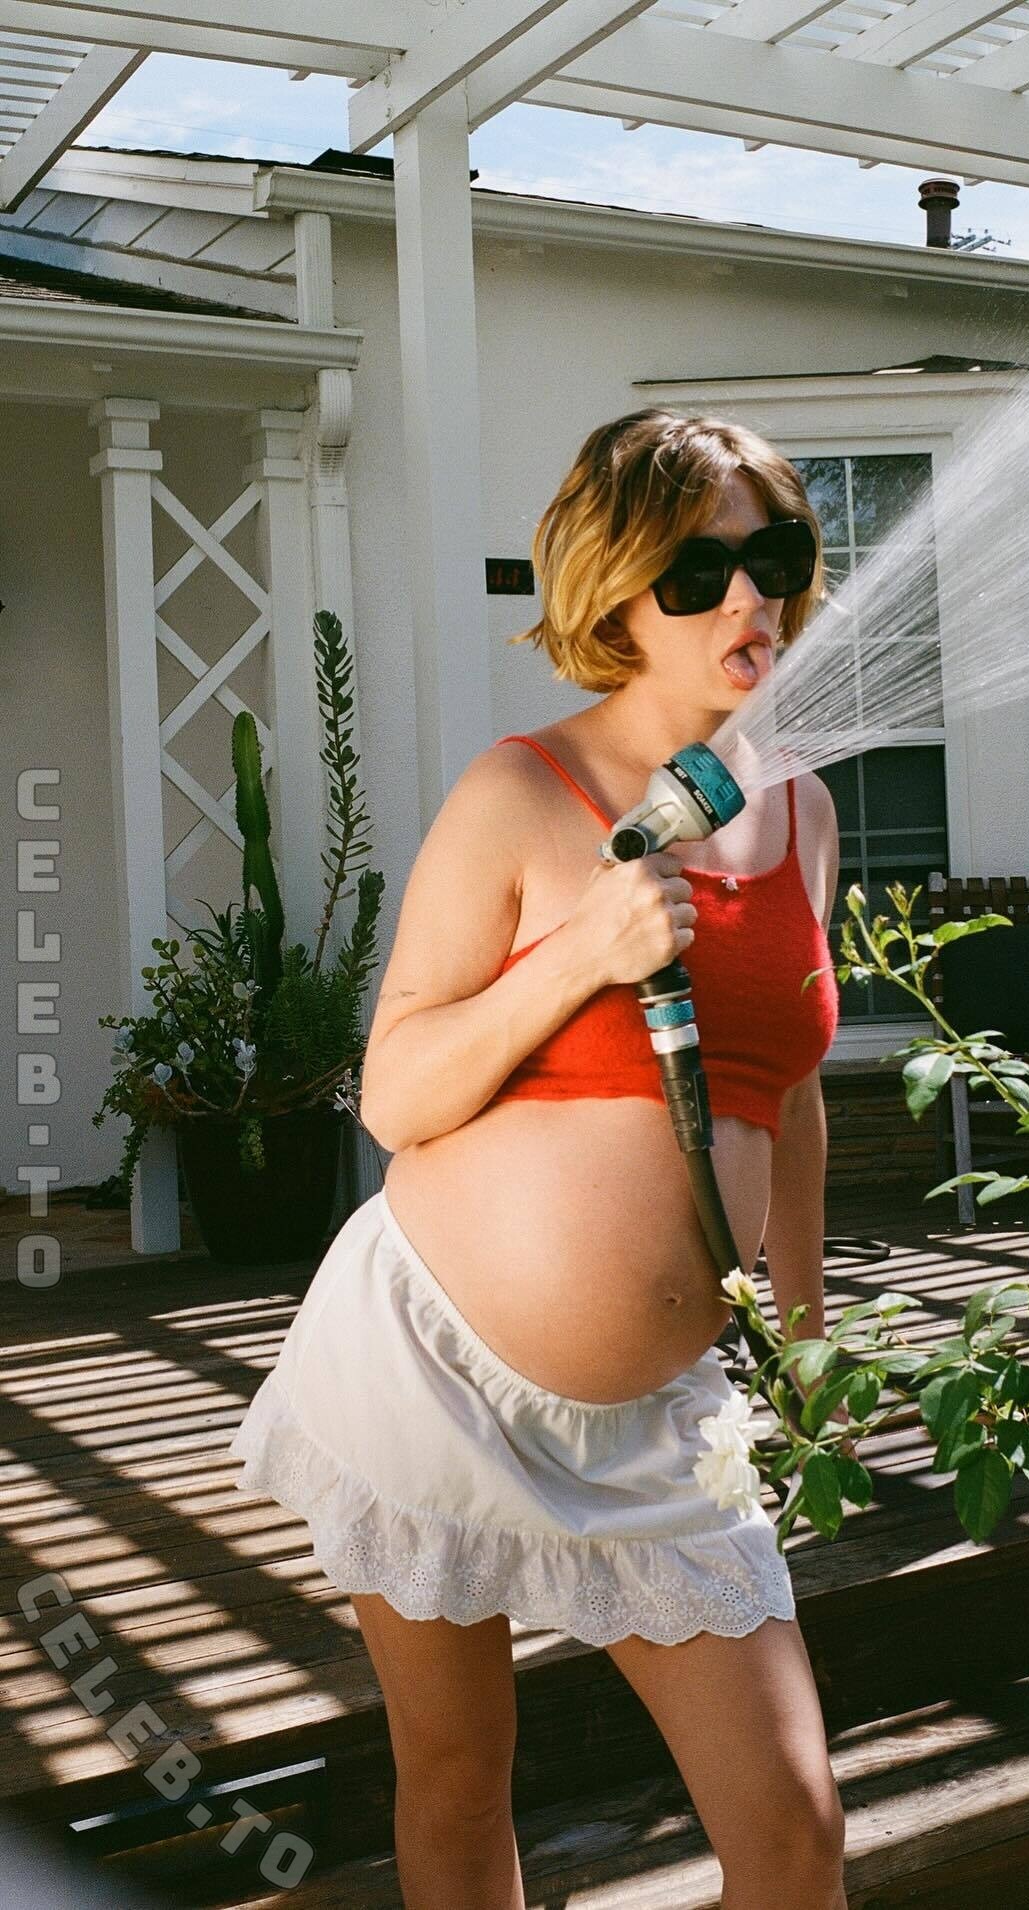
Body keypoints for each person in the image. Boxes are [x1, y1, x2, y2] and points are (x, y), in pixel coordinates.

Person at [229, 408, 848, 1908]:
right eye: (696, 573)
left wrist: (807, 1325)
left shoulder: (805, 809)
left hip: (661, 1422)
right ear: (616, 599)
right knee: (457, 1779)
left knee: (794, 1831)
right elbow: (394, 1093)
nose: (747, 599)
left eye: (772, 559)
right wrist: (581, 952)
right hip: (432, 1360)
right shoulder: (518, 794)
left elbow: (791, 1090)